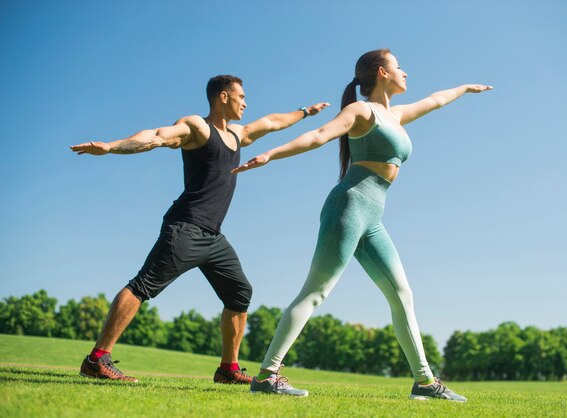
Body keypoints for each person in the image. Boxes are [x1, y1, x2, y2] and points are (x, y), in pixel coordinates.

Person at [232, 49, 492, 400]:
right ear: (382, 72)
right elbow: (318, 135)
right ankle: (267, 375)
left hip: (373, 217)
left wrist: (464, 88)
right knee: (316, 291)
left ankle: (426, 382)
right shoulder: (361, 111)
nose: (406, 71)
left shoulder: (395, 114)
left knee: (402, 295)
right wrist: (270, 155)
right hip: (348, 206)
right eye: (399, 66)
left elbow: (434, 100)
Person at [70, 75, 329, 384]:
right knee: (143, 286)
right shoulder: (197, 127)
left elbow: (273, 122)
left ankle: (228, 370)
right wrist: (112, 147)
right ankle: (97, 359)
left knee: (239, 292)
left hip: (213, 237)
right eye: (241, 96)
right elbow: (156, 136)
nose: (245, 103)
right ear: (223, 97)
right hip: (186, 228)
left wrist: (304, 112)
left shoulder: (238, 134)